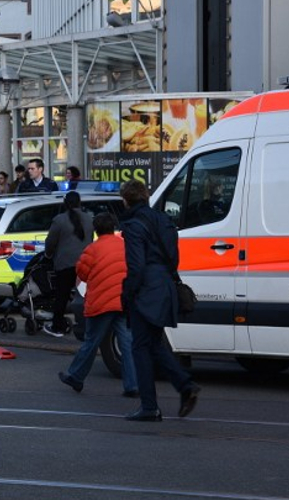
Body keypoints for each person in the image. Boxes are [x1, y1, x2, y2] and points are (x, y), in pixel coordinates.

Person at [119, 179, 201, 421]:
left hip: (146, 290)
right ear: (146, 197)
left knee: (140, 347)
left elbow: (136, 266)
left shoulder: (133, 225)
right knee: (153, 343)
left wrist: (128, 293)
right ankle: (185, 386)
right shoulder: (163, 220)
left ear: (126, 200)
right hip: (164, 285)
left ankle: (149, 406)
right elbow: (173, 258)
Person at [58, 212, 138, 397]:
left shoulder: (92, 249)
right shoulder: (125, 245)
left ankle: (76, 376)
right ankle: (132, 384)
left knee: (91, 342)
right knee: (127, 343)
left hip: (101, 303)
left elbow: (82, 273)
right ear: (113, 228)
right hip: (123, 301)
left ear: (96, 230)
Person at [43, 190, 94, 337]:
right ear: (79, 203)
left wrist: (48, 255)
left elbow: (50, 242)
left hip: (64, 264)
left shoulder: (59, 220)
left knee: (61, 296)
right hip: (84, 264)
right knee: (85, 297)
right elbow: (90, 241)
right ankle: (87, 325)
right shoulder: (89, 219)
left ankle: (57, 326)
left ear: (65, 203)